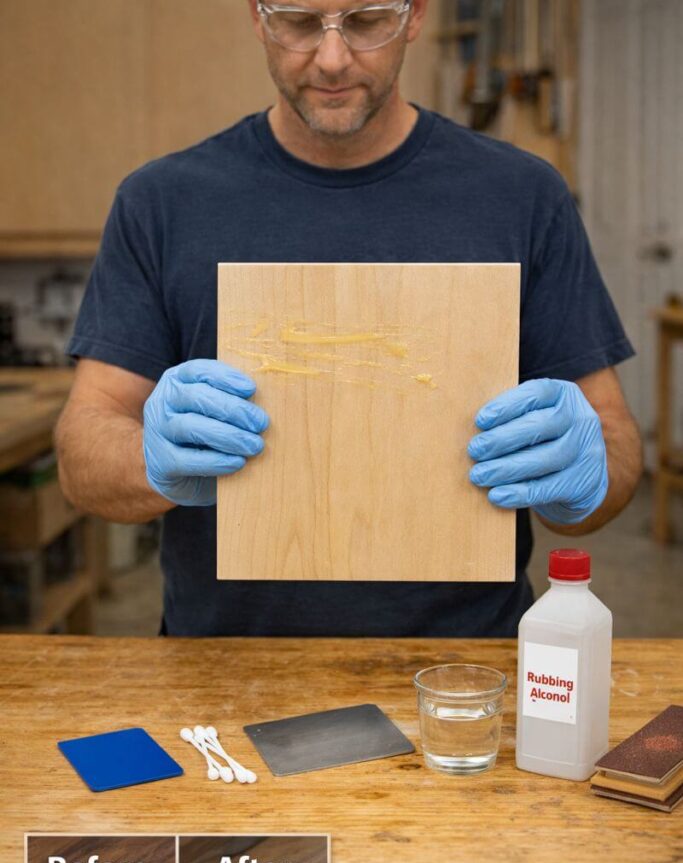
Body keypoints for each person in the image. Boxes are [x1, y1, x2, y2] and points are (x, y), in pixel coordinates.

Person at [55, 0, 642, 638]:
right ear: (258, 17)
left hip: (467, 675)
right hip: (221, 673)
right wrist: (149, 457)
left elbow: (615, 445)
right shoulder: (162, 203)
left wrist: (580, 475)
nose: (332, 59)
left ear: (415, 15)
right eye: (300, 22)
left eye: (365, 21)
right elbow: (81, 451)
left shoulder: (522, 196)